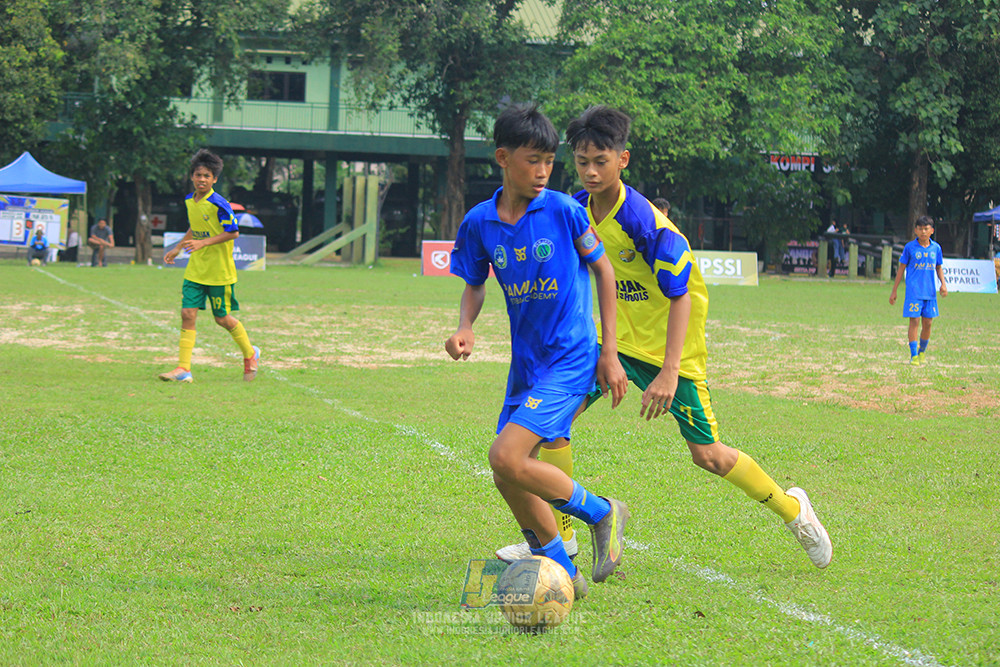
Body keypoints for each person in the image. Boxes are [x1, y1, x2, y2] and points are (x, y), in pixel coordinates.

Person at [497, 105, 832, 569]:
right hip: (612, 345)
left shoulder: (644, 221)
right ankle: (563, 538)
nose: (590, 172)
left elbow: (683, 297)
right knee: (550, 426)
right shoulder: (576, 209)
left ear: (623, 160)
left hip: (671, 350)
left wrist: (670, 372)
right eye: (581, 162)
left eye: (601, 161)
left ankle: (795, 512)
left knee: (709, 456)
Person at [445, 104, 630, 598]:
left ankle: (601, 511)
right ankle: (559, 569)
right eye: (533, 160)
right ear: (503, 158)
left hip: (571, 357)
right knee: (507, 474)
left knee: (505, 455)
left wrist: (608, 352)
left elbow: (605, 272)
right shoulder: (480, 222)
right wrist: (465, 326)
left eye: (550, 160)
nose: (544, 171)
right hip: (526, 364)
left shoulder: (564, 210)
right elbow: (475, 281)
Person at [159, 149, 260, 383]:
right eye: (198, 175)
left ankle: (250, 353)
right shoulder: (189, 201)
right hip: (196, 269)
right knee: (187, 313)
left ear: (214, 179)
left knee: (222, 318)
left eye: (207, 176)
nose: (202, 179)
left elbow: (233, 232)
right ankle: (184, 369)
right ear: (192, 177)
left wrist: (203, 242)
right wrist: (178, 247)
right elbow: (195, 226)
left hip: (219, 272)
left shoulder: (219, 203)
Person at [889, 215, 947, 366]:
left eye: (926, 229)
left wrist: (943, 284)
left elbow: (938, 267)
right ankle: (913, 355)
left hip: (930, 293)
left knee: (928, 323)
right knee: (914, 321)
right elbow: (901, 269)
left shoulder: (936, 248)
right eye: (920, 229)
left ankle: (922, 352)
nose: (923, 232)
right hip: (913, 293)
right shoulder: (909, 248)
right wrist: (894, 291)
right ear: (915, 230)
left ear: (932, 231)